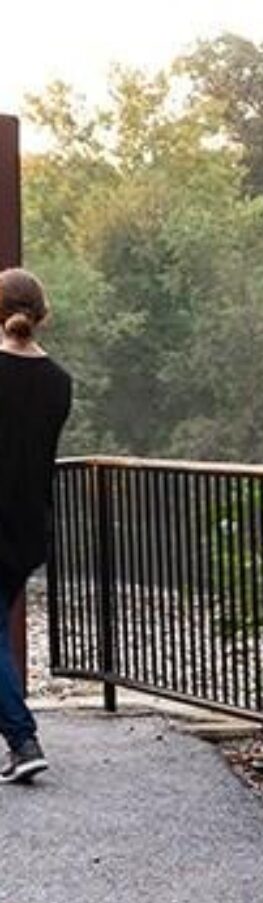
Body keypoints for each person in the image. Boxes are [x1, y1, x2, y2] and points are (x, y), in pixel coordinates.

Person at [0, 268, 73, 784]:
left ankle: (23, 739)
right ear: (41, 316)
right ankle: (19, 739)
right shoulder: (59, 383)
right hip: (27, 525)